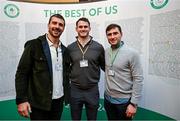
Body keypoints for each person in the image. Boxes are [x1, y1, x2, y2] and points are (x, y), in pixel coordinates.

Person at [15, 14, 70, 120]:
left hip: (58, 102)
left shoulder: (65, 50)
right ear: (48, 25)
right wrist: (21, 100)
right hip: (39, 103)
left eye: (61, 25)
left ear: (63, 28)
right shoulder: (34, 45)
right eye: (54, 23)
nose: (57, 26)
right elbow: (22, 73)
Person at [67, 17, 105, 120]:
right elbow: (66, 69)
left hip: (92, 90)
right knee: (75, 118)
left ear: (89, 28)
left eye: (85, 26)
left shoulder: (98, 47)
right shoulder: (70, 48)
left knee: (92, 118)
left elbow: (104, 66)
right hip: (75, 89)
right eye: (80, 27)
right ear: (76, 29)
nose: (83, 29)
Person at [104, 24, 143, 120]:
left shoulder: (132, 53)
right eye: (109, 34)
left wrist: (133, 104)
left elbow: (138, 78)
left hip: (124, 102)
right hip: (108, 100)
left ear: (121, 34)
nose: (112, 37)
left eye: (115, 33)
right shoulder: (106, 51)